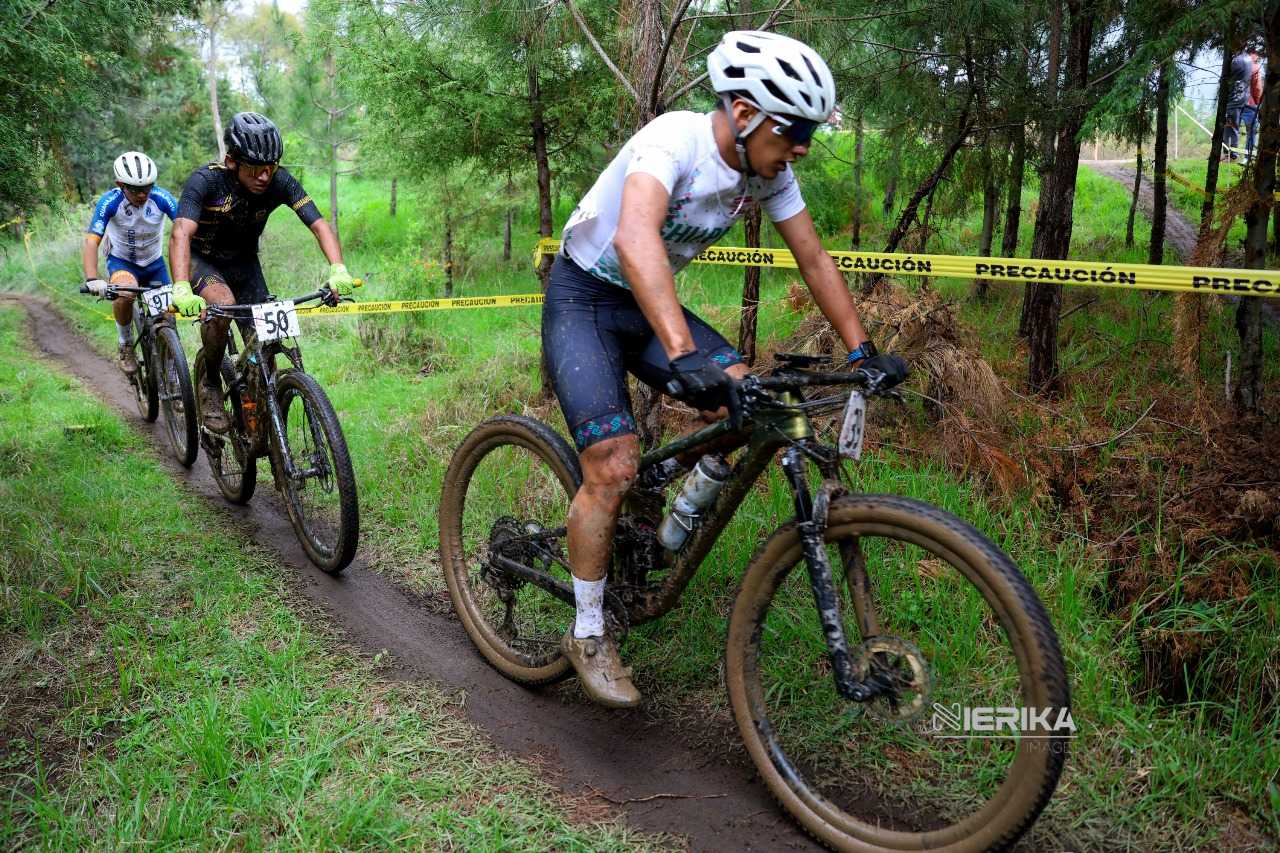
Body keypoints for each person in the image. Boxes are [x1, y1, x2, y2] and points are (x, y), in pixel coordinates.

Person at [543, 30, 905, 708]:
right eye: (792, 130)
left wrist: (862, 349)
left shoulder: (768, 170)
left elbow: (814, 257)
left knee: (753, 402)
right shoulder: (672, 142)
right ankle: (588, 629)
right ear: (743, 114)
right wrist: (682, 351)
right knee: (614, 463)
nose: (800, 146)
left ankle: (664, 531)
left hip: (646, 301)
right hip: (586, 299)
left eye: (806, 134)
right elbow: (633, 235)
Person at [168, 111, 354, 432]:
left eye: (271, 167)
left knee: (265, 351)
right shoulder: (206, 181)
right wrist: (182, 286)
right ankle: (211, 383)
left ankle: (256, 423)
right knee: (223, 305)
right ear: (232, 162)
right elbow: (181, 233)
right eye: (255, 168)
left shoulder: (279, 180)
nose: (265, 176)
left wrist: (338, 269)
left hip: (245, 264)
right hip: (203, 262)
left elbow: (319, 224)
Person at [82, 151, 179, 374]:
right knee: (126, 293)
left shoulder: (162, 198)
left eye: (148, 187)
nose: (143, 194)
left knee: (168, 318)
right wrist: (92, 278)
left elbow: (186, 228)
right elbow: (91, 241)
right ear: (120, 184)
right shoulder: (110, 201)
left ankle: (174, 374)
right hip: (122, 262)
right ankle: (125, 343)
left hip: (154, 263)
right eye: (135, 189)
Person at [1224, 45, 1253, 161]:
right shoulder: (1247, 58)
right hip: (1244, 97)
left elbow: (1226, 77)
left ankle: (1230, 155)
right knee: (1234, 126)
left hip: (1234, 98)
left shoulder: (1236, 60)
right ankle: (1231, 154)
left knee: (1230, 126)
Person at [1242, 43, 1264, 164]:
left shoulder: (1236, 63)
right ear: (1253, 54)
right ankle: (1247, 157)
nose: (1258, 57)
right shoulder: (1255, 67)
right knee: (1251, 131)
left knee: (1230, 127)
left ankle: (1228, 153)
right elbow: (1257, 88)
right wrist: (1258, 102)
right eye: (1257, 54)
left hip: (1235, 103)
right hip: (1250, 103)